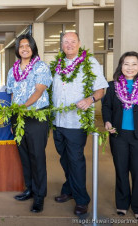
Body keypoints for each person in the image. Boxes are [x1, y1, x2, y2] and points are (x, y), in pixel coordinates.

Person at [50, 32, 108, 215]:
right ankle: (69, 189)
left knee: (75, 159)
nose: (68, 44)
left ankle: (82, 199)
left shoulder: (89, 62)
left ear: (79, 43)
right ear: (61, 44)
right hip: (58, 121)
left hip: (76, 122)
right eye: (65, 42)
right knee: (64, 158)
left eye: (72, 41)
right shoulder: (57, 64)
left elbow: (101, 89)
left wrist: (90, 99)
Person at [6, 34, 52, 213]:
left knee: (37, 156)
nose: (24, 48)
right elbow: (11, 94)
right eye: (21, 46)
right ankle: (30, 189)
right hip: (18, 117)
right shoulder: (13, 69)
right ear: (17, 49)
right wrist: (13, 117)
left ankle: (40, 196)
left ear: (33, 47)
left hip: (36, 116)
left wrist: (23, 106)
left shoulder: (41, 67)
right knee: (24, 155)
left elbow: (39, 91)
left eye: (27, 45)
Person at [102, 51, 138, 219]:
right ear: (120, 66)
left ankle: (137, 206)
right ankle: (122, 204)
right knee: (121, 170)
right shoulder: (112, 86)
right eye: (126, 64)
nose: (130, 67)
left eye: (134, 64)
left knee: (137, 172)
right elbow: (106, 107)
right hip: (119, 135)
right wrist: (107, 122)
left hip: (137, 136)